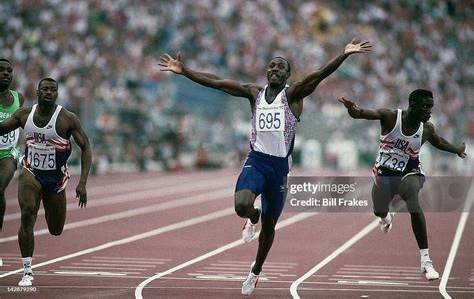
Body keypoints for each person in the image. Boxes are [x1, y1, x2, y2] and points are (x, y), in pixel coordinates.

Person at [159, 38, 371, 295]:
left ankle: (255, 271)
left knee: (270, 228)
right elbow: (217, 83)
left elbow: (319, 75)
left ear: (288, 75)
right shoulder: (253, 93)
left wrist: (344, 54)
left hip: (280, 170)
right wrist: (185, 71)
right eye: (271, 66)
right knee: (241, 206)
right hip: (257, 161)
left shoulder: (293, 95)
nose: (274, 69)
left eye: (280, 67)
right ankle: (252, 216)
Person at [338, 90, 466, 281]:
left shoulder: (427, 128)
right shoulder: (390, 117)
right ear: (413, 105)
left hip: (410, 171)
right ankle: (386, 217)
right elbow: (361, 113)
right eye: (425, 106)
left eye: (431, 107)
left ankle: (426, 260)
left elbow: (438, 142)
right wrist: (352, 109)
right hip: (384, 174)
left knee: (412, 199)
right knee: (378, 210)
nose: (429, 111)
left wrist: (456, 150)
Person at [0, 77, 92, 286]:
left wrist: (83, 182)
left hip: (56, 179)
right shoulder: (25, 115)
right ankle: (27, 271)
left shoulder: (67, 119)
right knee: (26, 214)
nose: (48, 92)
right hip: (31, 172)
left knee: (56, 229)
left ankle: (28, 268)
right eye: (44, 89)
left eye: (52, 90)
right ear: (38, 92)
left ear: (57, 94)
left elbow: (86, 147)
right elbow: (3, 128)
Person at [0, 59, 25, 267]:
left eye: (9, 71)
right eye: (1, 70)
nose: (6, 74)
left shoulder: (19, 98)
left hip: (8, 153)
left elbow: (24, 125)